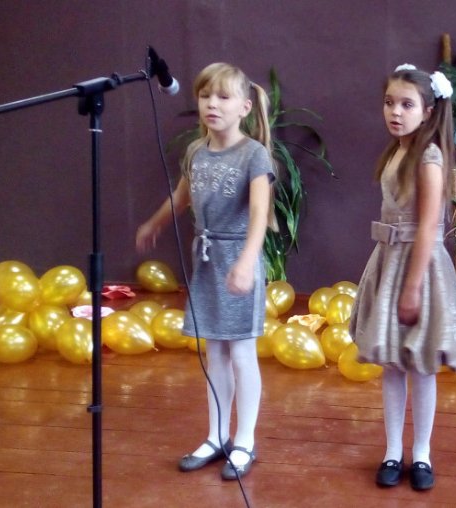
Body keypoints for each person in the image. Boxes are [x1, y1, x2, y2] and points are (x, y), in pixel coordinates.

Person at [136, 62, 276, 481]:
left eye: (223, 97)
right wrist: (155, 223)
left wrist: (247, 261)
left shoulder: (254, 154)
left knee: (241, 353)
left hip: (238, 259)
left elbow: (259, 212)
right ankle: (216, 435)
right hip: (208, 261)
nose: (212, 104)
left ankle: (244, 440)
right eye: (205, 96)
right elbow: (181, 198)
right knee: (214, 352)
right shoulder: (196, 151)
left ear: (244, 107)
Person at [349, 64, 456, 492]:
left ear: (428, 111)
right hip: (388, 261)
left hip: (417, 267)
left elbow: (428, 228)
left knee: (421, 367)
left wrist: (413, 287)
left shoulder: (429, 157)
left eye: (407, 105)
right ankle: (392, 450)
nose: (395, 112)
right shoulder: (395, 152)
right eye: (389, 103)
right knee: (392, 365)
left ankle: (421, 452)